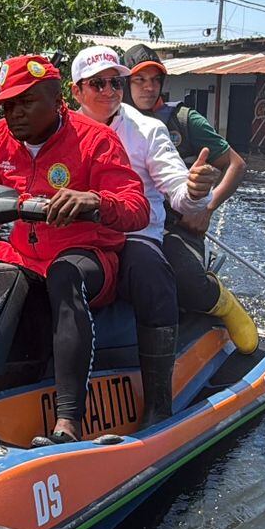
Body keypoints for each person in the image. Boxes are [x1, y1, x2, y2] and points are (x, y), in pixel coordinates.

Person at [0, 55, 149, 444]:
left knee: (64, 274)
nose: (14, 114)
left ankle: (69, 418)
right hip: (22, 255)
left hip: (88, 256)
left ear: (57, 101)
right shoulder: (0, 138)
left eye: (25, 103)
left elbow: (136, 209)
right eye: (8, 105)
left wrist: (94, 201)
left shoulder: (96, 140)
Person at [68, 45, 219, 424]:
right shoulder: (61, 133)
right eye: (97, 84)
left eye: (115, 82)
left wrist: (198, 191)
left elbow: (179, 193)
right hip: (77, 239)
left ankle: (158, 404)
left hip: (133, 235)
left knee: (150, 271)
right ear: (76, 91)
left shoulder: (147, 130)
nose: (109, 91)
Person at [122, 43, 258, 353]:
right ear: (125, 84)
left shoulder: (183, 120)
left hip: (177, 223)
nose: (148, 88)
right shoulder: (111, 121)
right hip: (128, 219)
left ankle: (221, 303)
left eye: (155, 80)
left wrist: (206, 208)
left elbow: (236, 164)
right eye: (139, 80)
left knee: (180, 276)